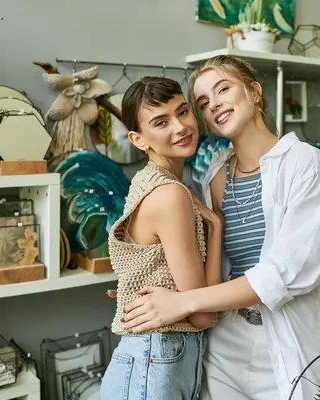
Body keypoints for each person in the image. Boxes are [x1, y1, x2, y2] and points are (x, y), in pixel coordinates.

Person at [120, 56, 320, 400]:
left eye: (223, 89)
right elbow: (200, 260)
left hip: (286, 338)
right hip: (224, 342)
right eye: (204, 103)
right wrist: (149, 282)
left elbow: (289, 271)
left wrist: (183, 302)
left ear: (254, 92)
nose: (215, 105)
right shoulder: (214, 176)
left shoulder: (303, 163)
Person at [100, 76, 223, 400]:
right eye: (161, 122)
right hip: (155, 360)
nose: (180, 126)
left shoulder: (153, 182)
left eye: (182, 112)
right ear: (138, 139)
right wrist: (216, 230)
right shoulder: (170, 194)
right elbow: (202, 313)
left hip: (154, 356)